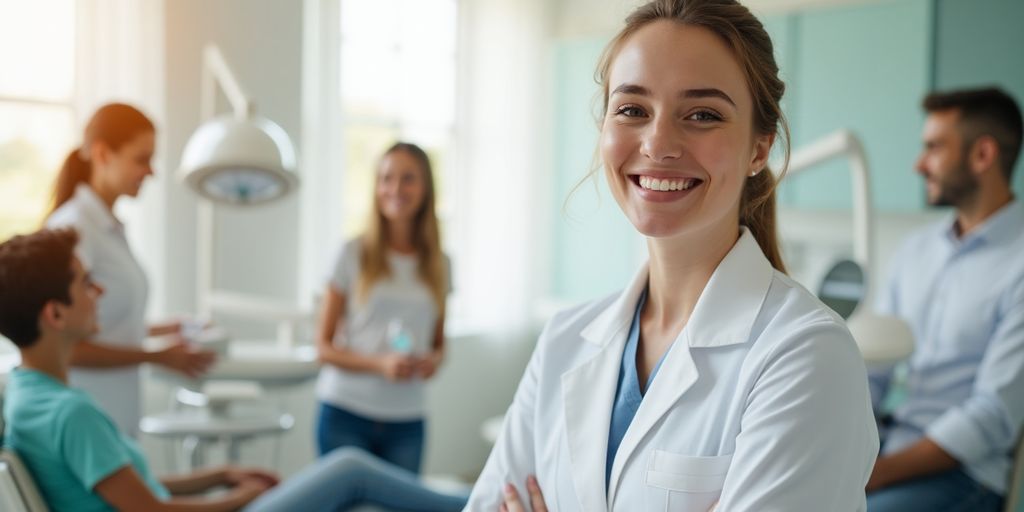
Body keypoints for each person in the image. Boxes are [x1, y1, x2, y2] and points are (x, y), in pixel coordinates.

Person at [467, 0, 878, 510]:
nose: (658, 143)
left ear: (758, 148)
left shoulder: (807, 354)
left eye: (703, 115)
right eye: (632, 110)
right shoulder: (566, 339)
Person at [0, 228, 469, 512]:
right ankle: (480, 505)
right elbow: (150, 510)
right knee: (349, 473)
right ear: (55, 314)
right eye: (85, 283)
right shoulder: (70, 414)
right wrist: (238, 500)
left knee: (353, 491)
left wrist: (221, 473)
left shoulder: (29, 396)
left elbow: (131, 488)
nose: (99, 291)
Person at [866, 87, 1024, 511]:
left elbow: (991, 416)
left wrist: (877, 474)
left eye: (934, 148)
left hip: (962, 476)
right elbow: (875, 369)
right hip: (888, 447)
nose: (919, 164)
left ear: (983, 155)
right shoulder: (916, 251)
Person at [45, 103, 215, 434]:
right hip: (86, 417)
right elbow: (65, 345)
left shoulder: (108, 228)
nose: (151, 171)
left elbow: (102, 321)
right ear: (103, 154)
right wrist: (156, 357)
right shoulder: (74, 229)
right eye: (142, 159)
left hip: (113, 416)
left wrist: (165, 329)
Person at [315, 142, 451, 474]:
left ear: (425, 188)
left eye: (408, 179)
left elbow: (439, 343)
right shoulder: (352, 253)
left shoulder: (440, 264)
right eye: (386, 178)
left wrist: (432, 361)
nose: (395, 189)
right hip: (345, 413)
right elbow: (323, 348)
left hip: (407, 419)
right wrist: (380, 365)